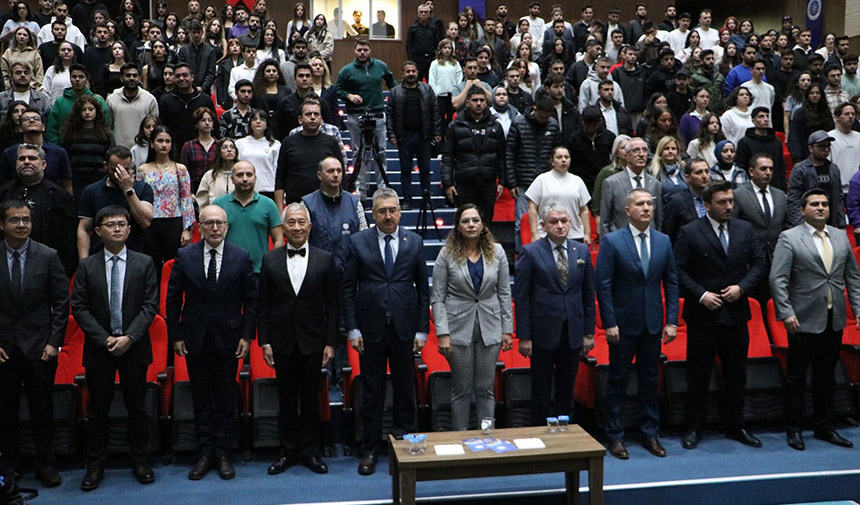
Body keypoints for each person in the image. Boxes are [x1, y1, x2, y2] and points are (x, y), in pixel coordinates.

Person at [674, 180, 767, 450]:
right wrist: (701, 295)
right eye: (722, 202)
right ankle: (694, 426)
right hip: (703, 315)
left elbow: (759, 264)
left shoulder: (744, 229)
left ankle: (736, 425)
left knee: (736, 374)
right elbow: (678, 271)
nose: (728, 206)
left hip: (736, 312)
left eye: (730, 201)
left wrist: (743, 288)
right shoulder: (690, 232)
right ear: (706, 206)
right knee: (699, 374)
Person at [71, 205, 158, 491]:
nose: (118, 228)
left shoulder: (144, 262)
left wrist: (129, 337)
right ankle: (95, 464)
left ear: (130, 229)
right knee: (98, 409)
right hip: (100, 347)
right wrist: (105, 338)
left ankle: (141, 461)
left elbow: (150, 306)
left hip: (134, 346)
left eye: (122, 224)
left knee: (137, 407)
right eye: (111, 225)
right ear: (98, 231)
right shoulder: (86, 265)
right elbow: (80, 308)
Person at [343, 187, 428, 476]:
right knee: (372, 392)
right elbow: (347, 289)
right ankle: (369, 450)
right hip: (370, 331)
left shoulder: (414, 241)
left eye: (392, 210)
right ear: (374, 214)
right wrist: (353, 329)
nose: (388, 215)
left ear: (399, 212)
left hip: (405, 330)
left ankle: (407, 448)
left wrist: (422, 331)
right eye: (382, 211)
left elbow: (423, 291)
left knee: (406, 389)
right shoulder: (357, 242)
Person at [167, 204, 256, 481]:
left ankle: (223, 453)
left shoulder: (241, 257)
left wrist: (246, 335)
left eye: (220, 223)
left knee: (226, 397)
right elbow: (172, 300)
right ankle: (204, 453)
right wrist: (176, 335)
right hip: (195, 338)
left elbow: (251, 301)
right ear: (200, 227)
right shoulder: (185, 255)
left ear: (227, 227)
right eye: (209, 223)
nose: (215, 228)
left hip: (229, 338)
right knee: (201, 398)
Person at [770, 188, 860, 451]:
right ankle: (794, 428)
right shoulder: (789, 237)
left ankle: (824, 426)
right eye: (815, 204)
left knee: (826, 376)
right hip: (802, 317)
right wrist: (785, 312)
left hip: (834, 317)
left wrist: (858, 310)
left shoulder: (840, 238)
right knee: (797, 376)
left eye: (824, 204)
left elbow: (853, 278)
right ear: (803, 210)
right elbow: (778, 279)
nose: (821, 208)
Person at [596, 188, 678, 459]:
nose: (646, 208)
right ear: (627, 210)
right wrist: (609, 322)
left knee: (649, 380)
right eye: (640, 204)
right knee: (618, 380)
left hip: (653, 322)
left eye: (649, 204)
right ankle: (615, 436)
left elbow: (671, 283)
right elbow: (603, 285)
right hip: (622, 323)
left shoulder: (664, 241)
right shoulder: (612, 241)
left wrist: (672, 321)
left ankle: (650, 433)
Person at [258, 202, 336, 475]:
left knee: (311, 399)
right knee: (287, 400)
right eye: (291, 222)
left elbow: (332, 305)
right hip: (281, 341)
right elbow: (263, 305)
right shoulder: (269, 259)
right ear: (284, 228)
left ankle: (310, 452)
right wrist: (264, 341)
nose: (297, 227)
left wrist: (330, 342)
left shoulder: (325, 259)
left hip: (314, 340)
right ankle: (287, 452)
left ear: (310, 227)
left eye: (301, 222)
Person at [0, 200, 69, 487]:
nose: (22, 225)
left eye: (26, 220)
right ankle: (9, 466)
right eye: (15, 220)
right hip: (3, 348)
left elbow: (62, 302)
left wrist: (54, 342)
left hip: (40, 347)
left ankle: (46, 464)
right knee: (5, 411)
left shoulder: (48, 255)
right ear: (2, 224)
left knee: (43, 409)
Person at [431, 204, 512, 430]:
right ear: (457, 226)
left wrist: (507, 329)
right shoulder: (445, 254)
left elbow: (504, 292)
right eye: (466, 221)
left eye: (475, 220)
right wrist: (443, 333)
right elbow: (437, 298)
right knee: (462, 389)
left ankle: (488, 437)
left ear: (482, 224)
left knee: (486, 388)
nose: (471, 225)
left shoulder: (497, 252)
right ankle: (461, 439)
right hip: (458, 329)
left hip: (491, 325)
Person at [515, 202, 595, 425]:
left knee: (566, 389)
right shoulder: (530, 252)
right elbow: (521, 298)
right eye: (554, 222)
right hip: (542, 332)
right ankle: (540, 435)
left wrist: (589, 332)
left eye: (564, 221)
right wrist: (524, 336)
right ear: (543, 225)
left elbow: (588, 295)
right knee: (540, 390)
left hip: (572, 330)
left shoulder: (581, 251)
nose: (560, 226)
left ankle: (565, 435)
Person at [0, 143, 77, 275]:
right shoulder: (3, 194)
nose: (26, 162)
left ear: (44, 164)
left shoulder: (61, 197)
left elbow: (69, 240)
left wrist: (64, 271)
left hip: (49, 269)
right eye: (22, 159)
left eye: (32, 158)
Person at [136, 126, 196, 279]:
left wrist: (187, 228)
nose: (164, 145)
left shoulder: (180, 169)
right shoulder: (143, 169)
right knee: (151, 264)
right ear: (152, 144)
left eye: (167, 141)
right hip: (150, 222)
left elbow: (186, 198)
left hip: (174, 221)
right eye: (160, 141)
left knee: (173, 264)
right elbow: (138, 197)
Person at [335, 38, 396, 189]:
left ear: (370, 51)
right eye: (359, 50)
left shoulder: (380, 66)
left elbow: (392, 82)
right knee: (358, 152)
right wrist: (348, 96)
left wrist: (396, 96)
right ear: (354, 51)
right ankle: (360, 186)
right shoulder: (346, 70)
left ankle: (382, 187)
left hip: (377, 114)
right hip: (356, 115)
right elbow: (337, 90)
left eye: (365, 50)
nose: (362, 53)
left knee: (380, 151)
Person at [440, 86, 505, 224]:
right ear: (467, 102)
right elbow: (447, 157)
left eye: (482, 100)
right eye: (475, 100)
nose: (479, 103)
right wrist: (448, 183)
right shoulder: (455, 125)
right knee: (465, 222)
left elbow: (501, 156)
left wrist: (503, 181)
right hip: (464, 182)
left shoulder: (495, 125)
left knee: (486, 223)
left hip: (488, 182)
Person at [77, 146, 154, 258]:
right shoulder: (91, 191)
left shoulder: (143, 188)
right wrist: (84, 262)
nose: (120, 174)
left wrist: (128, 190)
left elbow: (145, 221)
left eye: (125, 170)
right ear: (105, 166)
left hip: (133, 255)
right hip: (99, 254)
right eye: (115, 170)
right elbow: (83, 229)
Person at [506, 96, 560, 250]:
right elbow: (510, 153)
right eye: (542, 116)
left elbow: (557, 152)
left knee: (549, 221)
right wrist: (512, 182)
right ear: (535, 109)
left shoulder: (553, 125)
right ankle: (521, 258)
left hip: (547, 182)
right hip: (524, 181)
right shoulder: (518, 123)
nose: (544, 120)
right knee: (522, 223)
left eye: (547, 117)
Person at [386, 60, 441, 209]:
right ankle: (407, 199)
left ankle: (426, 197)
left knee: (425, 169)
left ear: (417, 72)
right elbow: (389, 114)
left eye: (413, 71)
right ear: (402, 74)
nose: (411, 74)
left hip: (424, 135)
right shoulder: (394, 92)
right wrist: (391, 133)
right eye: (408, 71)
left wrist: (436, 132)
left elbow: (435, 112)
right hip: (404, 136)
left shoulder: (427, 89)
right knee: (405, 169)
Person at [732, 153, 787, 299]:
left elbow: (786, 225)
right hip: (750, 260)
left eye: (770, 169)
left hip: (776, 258)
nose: (768, 172)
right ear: (751, 171)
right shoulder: (738, 195)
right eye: (763, 168)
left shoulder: (780, 195)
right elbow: (733, 227)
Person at [213, 161, 283, 274]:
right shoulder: (219, 204)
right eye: (240, 175)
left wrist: (274, 266)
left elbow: (279, 240)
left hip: (259, 271)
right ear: (232, 179)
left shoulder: (269, 204)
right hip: (226, 272)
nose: (245, 179)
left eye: (249, 174)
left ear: (255, 178)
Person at [599, 137, 663, 236]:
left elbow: (658, 220)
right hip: (620, 242)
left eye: (644, 150)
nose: (641, 154)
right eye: (636, 150)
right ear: (627, 155)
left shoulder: (655, 183)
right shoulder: (611, 183)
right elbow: (604, 222)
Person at [526, 145, 591, 243]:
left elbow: (584, 210)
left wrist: (587, 233)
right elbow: (532, 208)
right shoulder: (541, 180)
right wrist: (534, 234)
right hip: (546, 234)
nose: (563, 160)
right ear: (552, 161)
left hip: (574, 234)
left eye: (566, 157)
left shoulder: (578, 181)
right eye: (559, 157)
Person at [0, 109, 71, 193]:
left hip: (51, 201)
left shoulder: (59, 152)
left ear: (43, 127)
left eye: (36, 118)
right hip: (18, 202)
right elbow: (4, 184)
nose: (31, 120)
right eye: (26, 119)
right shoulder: (9, 153)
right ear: (21, 128)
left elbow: (66, 184)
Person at [787, 130, 845, 229]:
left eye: (828, 146)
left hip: (831, 222)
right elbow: (793, 201)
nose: (826, 149)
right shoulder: (800, 170)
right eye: (821, 146)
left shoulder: (833, 169)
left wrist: (841, 223)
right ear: (811, 148)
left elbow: (838, 198)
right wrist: (800, 226)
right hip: (808, 222)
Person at [159, 63, 215, 153]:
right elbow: (162, 126)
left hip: (200, 150)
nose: (181, 79)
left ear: (192, 77)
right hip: (173, 150)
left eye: (185, 75)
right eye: (177, 76)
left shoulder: (205, 100)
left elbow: (214, 126)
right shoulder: (166, 101)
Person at [106, 63, 159, 150]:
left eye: (134, 76)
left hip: (143, 149)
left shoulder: (150, 99)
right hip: (118, 149)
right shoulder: (111, 99)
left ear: (139, 78)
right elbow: (108, 126)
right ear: (121, 78)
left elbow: (155, 127)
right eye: (128, 75)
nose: (131, 78)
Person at [787, 83, 834, 163]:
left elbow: (831, 131)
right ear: (807, 95)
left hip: (825, 153)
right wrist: (797, 157)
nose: (815, 95)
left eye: (817, 93)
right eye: (812, 93)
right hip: (805, 154)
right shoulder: (800, 113)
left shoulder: (826, 112)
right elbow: (794, 136)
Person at [179, 106, 217, 193]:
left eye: (210, 120)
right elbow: (184, 172)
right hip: (194, 189)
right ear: (196, 124)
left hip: (215, 188)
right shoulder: (189, 146)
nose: (207, 123)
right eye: (203, 120)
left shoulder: (219, 145)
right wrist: (189, 192)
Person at [195, 138, 236, 208]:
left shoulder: (243, 174)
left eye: (232, 147)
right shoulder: (209, 175)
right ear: (219, 152)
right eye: (225, 147)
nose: (229, 150)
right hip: (215, 216)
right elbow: (202, 201)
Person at [831, 102, 860, 196]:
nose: (850, 116)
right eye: (847, 114)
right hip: (838, 189)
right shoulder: (829, 137)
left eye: (853, 114)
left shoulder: (859, 137)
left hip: (857, 188)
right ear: (837, 117)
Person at [405, 4, 439, 82]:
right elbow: (408, 45)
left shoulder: (433, 28)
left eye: (425, 12)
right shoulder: (413, 28)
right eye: (421, 12)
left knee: (431, 81)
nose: (423, 14)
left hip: (431, 59)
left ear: (429, 14)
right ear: (418, 14)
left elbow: (437, 44)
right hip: (417, 59)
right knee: (416, 82)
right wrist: (411, 60)